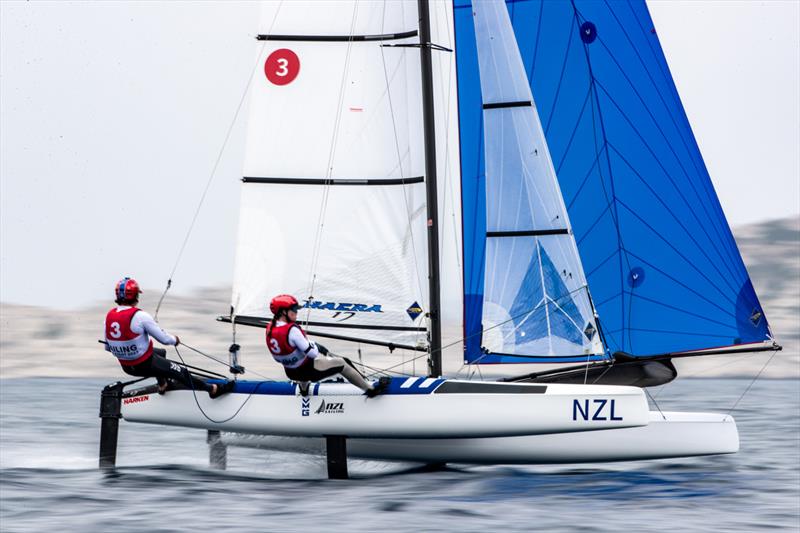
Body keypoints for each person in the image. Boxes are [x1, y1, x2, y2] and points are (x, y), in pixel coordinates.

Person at [104, 277, 234, 398]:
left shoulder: (109, 316)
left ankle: (162, 384)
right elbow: (165, 340)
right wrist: (175, 340)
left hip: (127, 368)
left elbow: (108, 348)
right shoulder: (140, 316)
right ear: (136, 296)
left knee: (161, 353)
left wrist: (128, 350)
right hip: (144, 365)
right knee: (181, 372)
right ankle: (212, 389)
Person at [266, 294, 389, 397]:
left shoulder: (270, 328)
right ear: (283, 312)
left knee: (301, 361)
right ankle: (370, 390)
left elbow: (277, 357)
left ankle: (304, 390)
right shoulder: (292, 330)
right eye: (293, 309)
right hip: (309, 371)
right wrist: (317, 347)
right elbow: (313, 353)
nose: (296, 312)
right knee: (343, 363)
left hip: (291, 373)